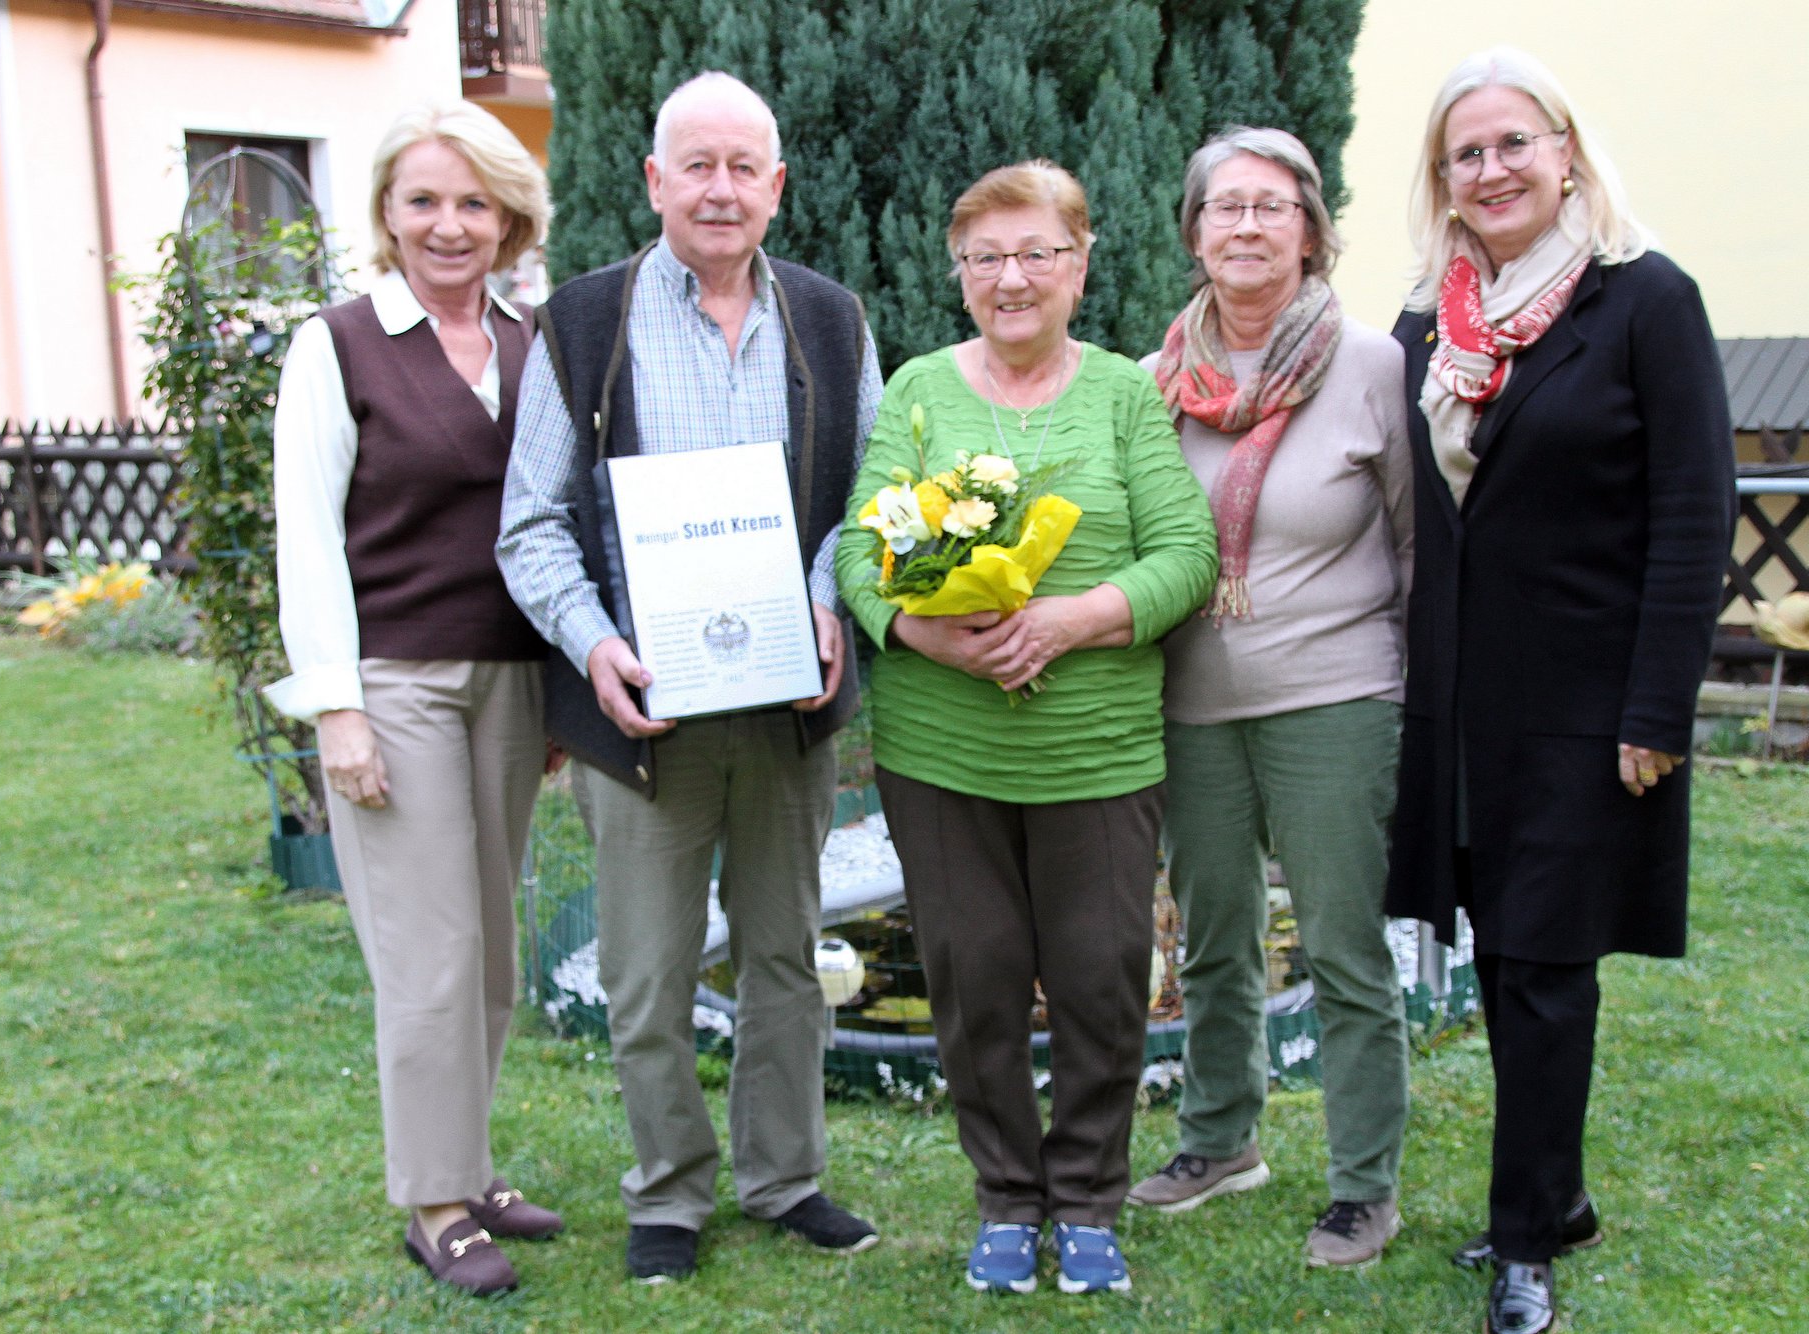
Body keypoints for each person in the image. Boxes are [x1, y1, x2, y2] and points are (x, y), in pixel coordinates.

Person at [495, 71, 883, 1284]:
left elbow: (873, 498)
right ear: (654, 181)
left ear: (775, 187)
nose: (720, 188)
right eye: (695, 165)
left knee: (782, 957)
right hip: (641, 710)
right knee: (647, 974)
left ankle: (786, 1178)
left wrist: (829, 595)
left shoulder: (829, 318)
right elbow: (529, 524)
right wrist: (593, 643)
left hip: (782, 706)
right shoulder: (583, 320)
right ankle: (666, 1189)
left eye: (742, 167)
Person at [1386, 48, 1735, 1334]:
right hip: (1462, 707)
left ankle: (1525, 1239)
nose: (1490, 169)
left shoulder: (1644, 300)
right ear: (1444, 180)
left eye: (1511, 143)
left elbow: (1696, 515)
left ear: (1565, 152)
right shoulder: (1430, 324)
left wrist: (1658, 707)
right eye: (1463, 153)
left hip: (1588, 709)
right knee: (1499, 954)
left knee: (1542, 963)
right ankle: (1559, 1193)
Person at [837, 161, 1219, 1297]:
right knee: (974, 973)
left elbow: (1185, 555)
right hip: (940, 750)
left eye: (1035, 253)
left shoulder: (1119, 394)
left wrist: (1068, 621)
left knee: (1103, 976)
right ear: (957, 274)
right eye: (985, 258)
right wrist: (920, 631)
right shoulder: (915, 389)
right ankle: (1007, 1193)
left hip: (1095, 752)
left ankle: (1089, 1193)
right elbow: (861, 553)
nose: (1012, 278)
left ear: (1079, 262)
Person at [266, 101, 560, 1296]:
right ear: (386, 214)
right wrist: (336, 705)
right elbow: (305, 540)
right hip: (394, 679)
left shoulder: (532, 341)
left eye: (473, 202)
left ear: (509, 218)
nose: (449, 225)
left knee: (489, 947)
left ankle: (468, 1159)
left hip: (510, 679)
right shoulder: (333, 345)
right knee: (430, 953)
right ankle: (435, 1200)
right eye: (423, 200)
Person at [1129, 127, 1414, 1270]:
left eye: (1270, 207)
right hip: (1191, 699)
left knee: (1342, 947)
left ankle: (1360, 1185)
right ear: (1193, 233)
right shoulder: (1155, 382)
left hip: (1336, 694)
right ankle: (1217, 1138)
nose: (1245, 226)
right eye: (1222, 207)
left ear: (1309, 229)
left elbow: (1413, 541)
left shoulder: (1373, 368)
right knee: (1211, 936)